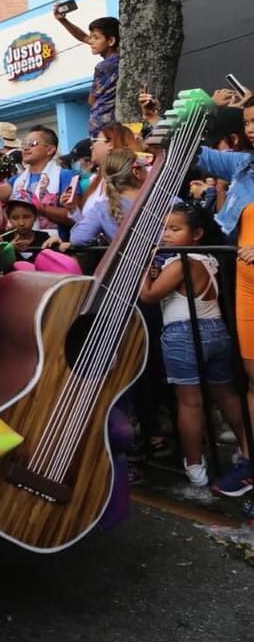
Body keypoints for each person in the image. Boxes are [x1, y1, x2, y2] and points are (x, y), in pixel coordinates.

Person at [139, 204, 251, 488]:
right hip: (216, 330)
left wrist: (141, 268)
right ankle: (245, 450)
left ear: (197, 233)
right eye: (164, 229)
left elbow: (149, 295)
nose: (166, 235)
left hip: (183, 334)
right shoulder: (209, 259)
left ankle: (194, 465)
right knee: (227, 396)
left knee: (190, 402)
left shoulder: (181, 263)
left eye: (175, 229)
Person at [53, 7, 119, 135]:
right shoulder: (122, 59)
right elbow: (83, 37)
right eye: (91, 37)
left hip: (103, 126)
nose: (91, 42)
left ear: (111, 41)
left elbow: (91, 100)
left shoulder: (104, 66)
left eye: (95, 38)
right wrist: (63, 21)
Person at [9, 126, 80, 238]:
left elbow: (74, 217)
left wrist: (41, 208)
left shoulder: (66, 176)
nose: (25, 148)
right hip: (23, 247)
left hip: (56, 245)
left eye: (33, 143)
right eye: (24, 144)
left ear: (50, 149)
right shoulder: (16, 180)